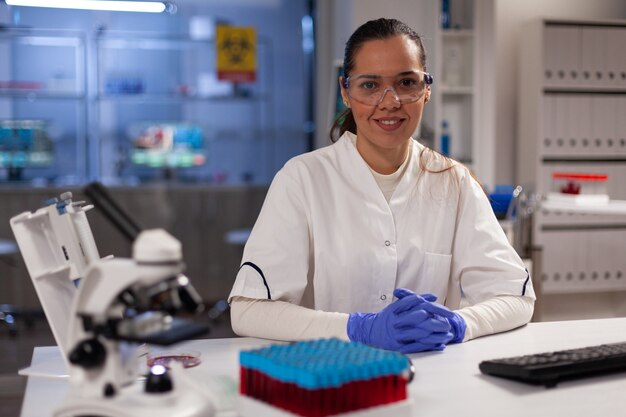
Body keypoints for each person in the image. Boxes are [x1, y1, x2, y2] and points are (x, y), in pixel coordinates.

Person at [228, 18, 534, 353]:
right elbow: (249, 310)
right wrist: (357, 328)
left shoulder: (454, 182)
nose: (390, 102)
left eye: (406, 82)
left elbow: (514, 296)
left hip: (433, 385)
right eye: (370, 85)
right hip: (331, 380)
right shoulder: (302, 179)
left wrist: (461, 323)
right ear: (345, 91)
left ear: (427, 89)